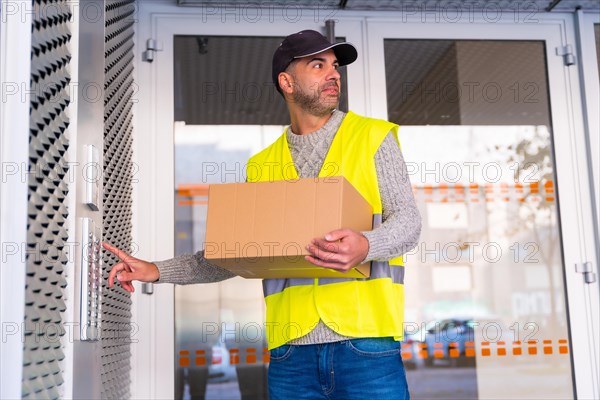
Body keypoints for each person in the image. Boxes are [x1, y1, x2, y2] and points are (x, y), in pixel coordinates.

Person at [103, 29, 421, 400]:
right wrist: (156, 270)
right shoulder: (262, 164)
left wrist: (366, 244)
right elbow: (236, 255)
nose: (333, 74)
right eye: (318, 65)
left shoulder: (373, 137)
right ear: (286, 81)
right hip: (290, 352)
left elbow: (408, 223)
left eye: (335, 66)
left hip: (367, 346)